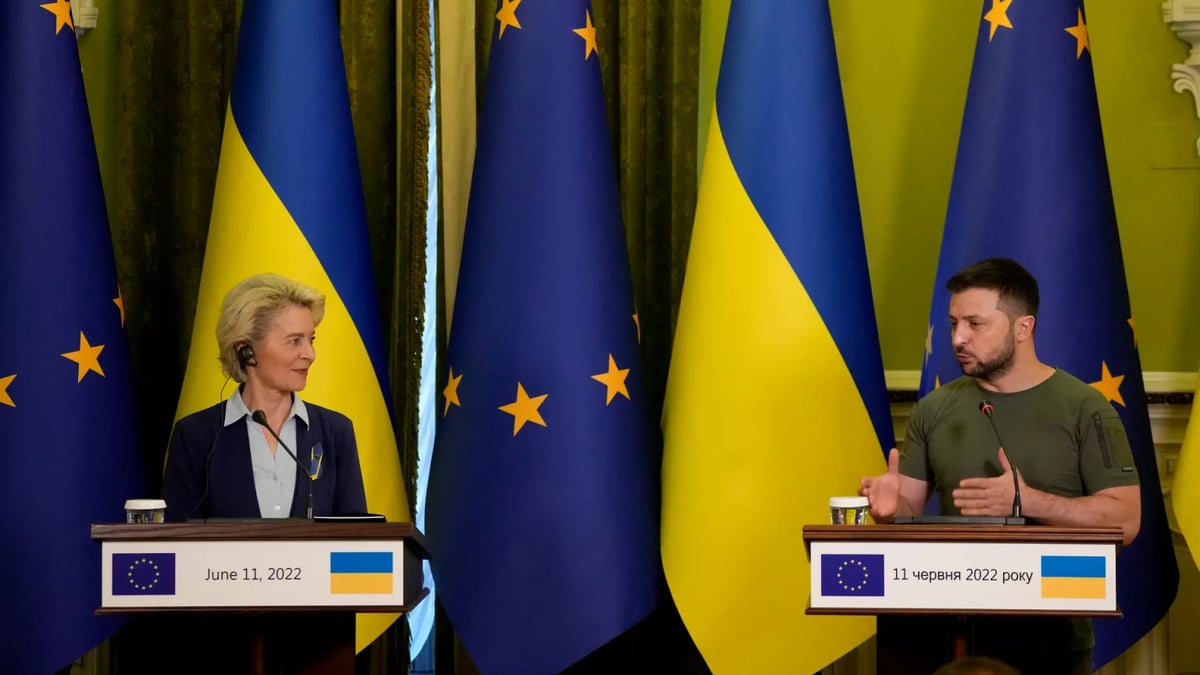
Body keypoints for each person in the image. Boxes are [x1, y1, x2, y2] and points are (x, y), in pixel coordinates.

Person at [859, 258, 1140, 675]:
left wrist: (1029, 501)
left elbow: (1126, 520)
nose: (958, 338)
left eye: (975, 324)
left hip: (1051, 634)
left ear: (1023, 328)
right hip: (946, 632)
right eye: (953, 323)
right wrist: (889, 510)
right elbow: (909, 510)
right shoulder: (933, 408)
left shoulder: (1085, 407)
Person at [162, 273, 367, 521]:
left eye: (310, 340)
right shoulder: (195, 435)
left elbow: (357, 533)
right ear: (246, 351)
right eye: (294, 341)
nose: (310, 354)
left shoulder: (335, 432)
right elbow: (178, 535)